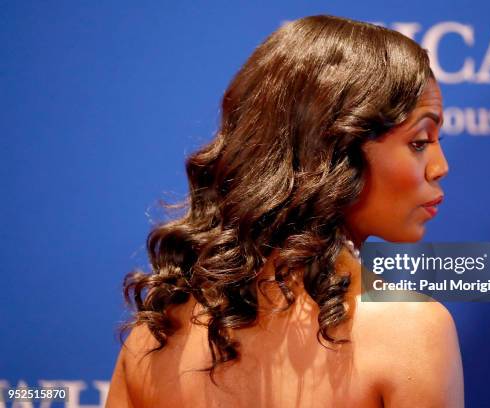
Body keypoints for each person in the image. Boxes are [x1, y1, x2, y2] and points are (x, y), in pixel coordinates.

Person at [107, 14, 463, 407]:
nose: (440, 166)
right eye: (420, 141)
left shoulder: (153, 338)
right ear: (333, 150)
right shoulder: (410, 329)